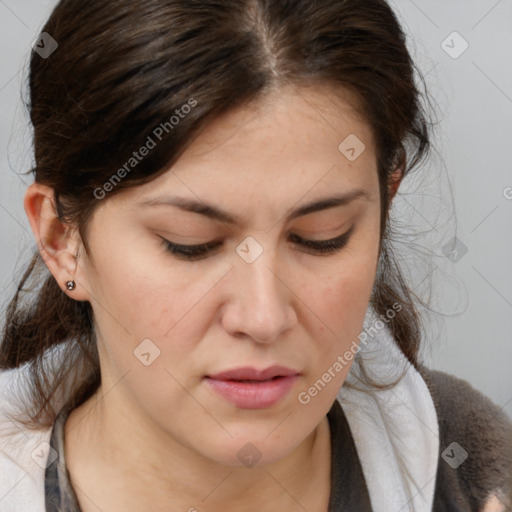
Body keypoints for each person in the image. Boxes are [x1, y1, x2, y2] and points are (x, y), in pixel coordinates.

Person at [0, 1, 511, 511]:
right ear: (62, 240)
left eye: (321, 236)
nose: (264, 318)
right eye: (190, 244)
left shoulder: (474, 472)